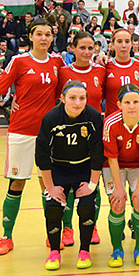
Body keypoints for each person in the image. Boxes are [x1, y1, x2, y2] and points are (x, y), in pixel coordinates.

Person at [0, 19, 65, 256]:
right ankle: (6, 237)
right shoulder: (18, 61)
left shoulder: (57, 62)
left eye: (47, 34)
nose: (43, 38)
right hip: (21, 131)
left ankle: (53, 234)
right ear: (30, 36)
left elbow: (70, 88)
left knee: (47, 185)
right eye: (39, 34)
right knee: (16, 183)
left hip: (49, 133)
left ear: (52, 37)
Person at [36, 81, 104, 270]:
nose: (77, 102)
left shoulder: (93, 116)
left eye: (82, 98)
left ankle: (84, 251)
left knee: (87, 206)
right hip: (59, 168)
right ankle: (54, 251)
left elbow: (98, 151)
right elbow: (42, 154)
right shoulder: (51, 118)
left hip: (84, 167)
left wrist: (92, 183)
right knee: (53, 205)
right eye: (72, 98)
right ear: (62, 99)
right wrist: (50, 187)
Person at [56, 32, 106, 246]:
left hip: (94, 134)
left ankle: (91, 224)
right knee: (67, 183)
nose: (86, 52)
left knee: (93, 181)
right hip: (67, 134)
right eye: (82, 48)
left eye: (90, 48)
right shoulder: (63, 71)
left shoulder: (102, 71)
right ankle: (67, 228)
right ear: (73, 49)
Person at [102, 83, 139, 267]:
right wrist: (118, 188)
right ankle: (116, 250)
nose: (131, 106)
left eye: (135, 101)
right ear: (119, 104)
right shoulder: (110, 123)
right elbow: (111, 158)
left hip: (138, 166)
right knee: (117, 204)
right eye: (127, 102)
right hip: (114, 166)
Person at [104, 29, 139, 117]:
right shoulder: (105, 65)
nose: (123, 45)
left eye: (127, 41)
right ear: (112, 44)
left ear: (131, 44)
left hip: (136, 120)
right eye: (119, 41)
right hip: (112, 121)